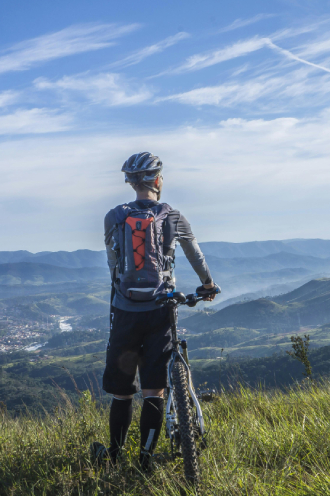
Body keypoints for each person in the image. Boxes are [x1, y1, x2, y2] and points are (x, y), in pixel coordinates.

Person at [91, 152, 218, 472]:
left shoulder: (113, 217)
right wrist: (207, 285)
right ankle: (145, 460)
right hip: (161, 310)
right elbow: (195, 255)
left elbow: (112, 263)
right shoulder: (173, 216)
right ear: (158, 180)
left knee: (122, 394)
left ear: (131, 183)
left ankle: (114, 457)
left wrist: (122, 293)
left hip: (125, 311)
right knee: (154, 392)